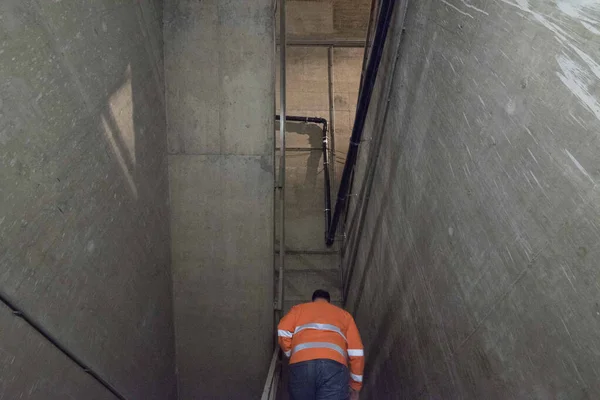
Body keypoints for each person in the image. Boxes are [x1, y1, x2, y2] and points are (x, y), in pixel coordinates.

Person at [278, 289, 364, 400]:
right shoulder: (344, 315)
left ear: (313, 300)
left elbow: (282, 330)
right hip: (334, 367)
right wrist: (355, 386)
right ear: (329, 302)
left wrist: (291, 353)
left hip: (301, 366)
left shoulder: (299, 309)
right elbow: (357, 351)